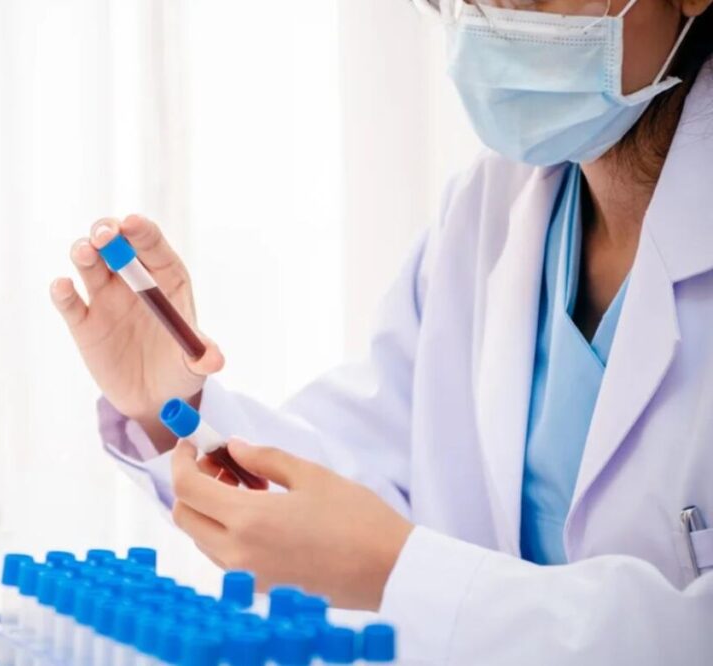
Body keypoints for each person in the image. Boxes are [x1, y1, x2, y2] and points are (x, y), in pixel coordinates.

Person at [50, 1, 713, 663]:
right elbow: (370, 478)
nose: (488, 18)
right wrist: (183, 409)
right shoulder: (488, 209)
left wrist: (398, 571)